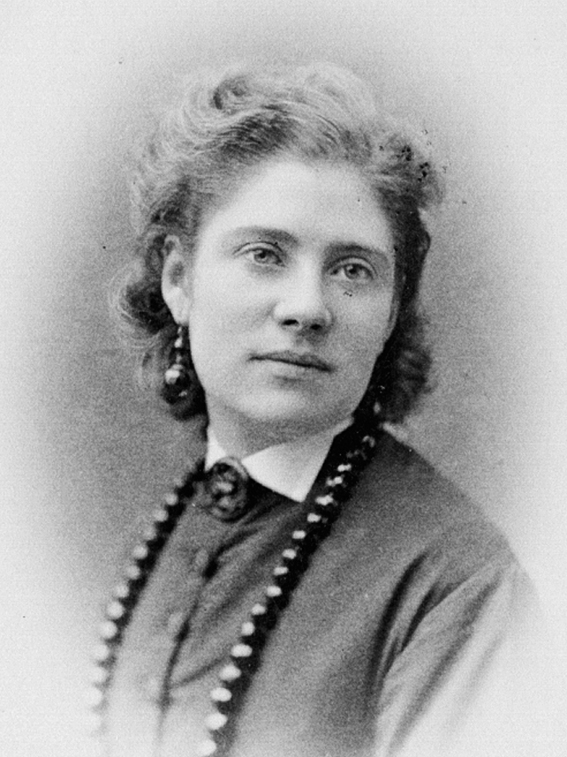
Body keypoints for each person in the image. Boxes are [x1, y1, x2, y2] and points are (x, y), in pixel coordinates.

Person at [89, 63, 542, 757]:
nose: (306, 307)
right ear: (179, 279)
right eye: (264, 254)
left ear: (390, 311)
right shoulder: (148, 537)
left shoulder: (455, 585)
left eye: (352, 269)